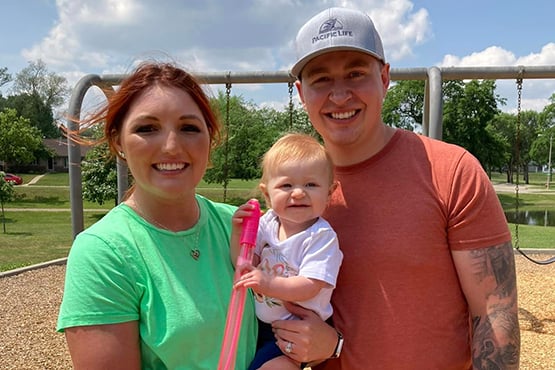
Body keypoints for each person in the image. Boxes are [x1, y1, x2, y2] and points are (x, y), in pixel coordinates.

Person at [269, 7, 520, 369]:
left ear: (385, 78)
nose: (340, 96)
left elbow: (494, 313)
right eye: (321, 79)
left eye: (356, 74)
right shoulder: (291, 192)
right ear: (301, 93)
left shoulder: (451, 171)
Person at [56, 62, 257, 369]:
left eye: (189, 127)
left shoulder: (240, 227)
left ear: (210, 139)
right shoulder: (103, 253)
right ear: (118, 142)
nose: (172, 146)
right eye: (147, 128)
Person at [232, 133, 343, 370]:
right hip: (259, 323)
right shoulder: (268, 222)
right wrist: (237, 234)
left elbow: (309, 285)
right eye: (286, 185)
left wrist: (267, 284)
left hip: (295, 329)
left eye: (311, 184)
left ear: (330, 193)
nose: (298, 193)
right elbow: (244, 264)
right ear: (267, 194)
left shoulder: (320, 237)